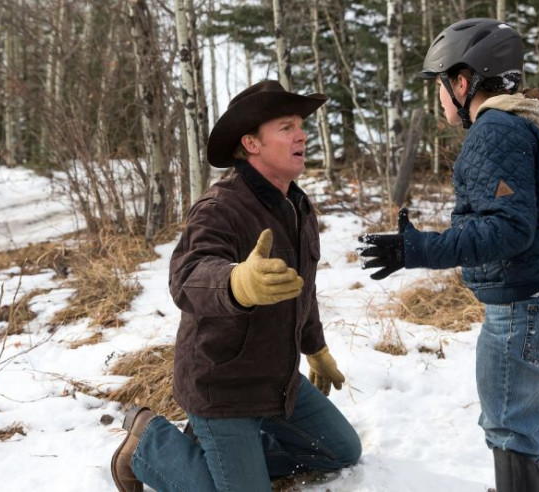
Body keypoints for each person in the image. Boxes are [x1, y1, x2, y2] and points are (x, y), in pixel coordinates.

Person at [358, 18, 539, 492]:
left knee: (508, 426)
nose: (439, 97)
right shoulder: (529, 123)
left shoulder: (496, 130)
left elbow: (509, 229)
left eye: (439, 86)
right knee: (518, 421)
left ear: (462, 83)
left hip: (526, 306)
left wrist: (418, 248)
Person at [111, 80, 361, 492]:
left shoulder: (296, 206)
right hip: (223, 388)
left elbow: (302, 290)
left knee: (342, 451)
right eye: (286, 127)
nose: (301, 135)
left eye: (300, 125)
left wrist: (315, 348)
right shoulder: (220, 207)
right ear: (251, 143)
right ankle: (149, 446)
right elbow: (187, 276)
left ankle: (230, 463)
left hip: (277, 380)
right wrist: (236, 282)